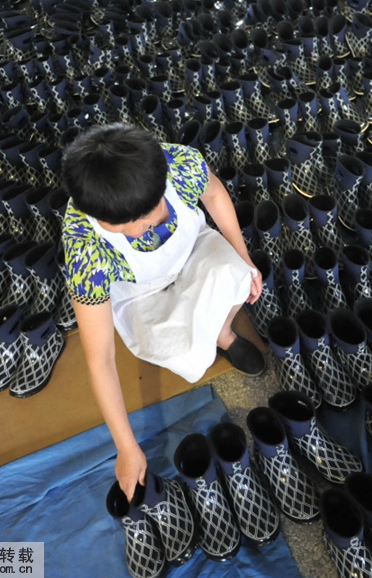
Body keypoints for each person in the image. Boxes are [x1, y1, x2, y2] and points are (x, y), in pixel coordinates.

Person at [61, 123, 265, 501]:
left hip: (191, 251)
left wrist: (243, 254)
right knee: (185, 353)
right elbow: (101, 358)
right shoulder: (84, 250)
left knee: (237, 275)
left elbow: (215, 194)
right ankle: (208, 337)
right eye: (132, 227)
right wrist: (126, 446)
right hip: (139, 292)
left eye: (153, 213)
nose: (148, 227)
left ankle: (223, 333)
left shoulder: (179, 163)